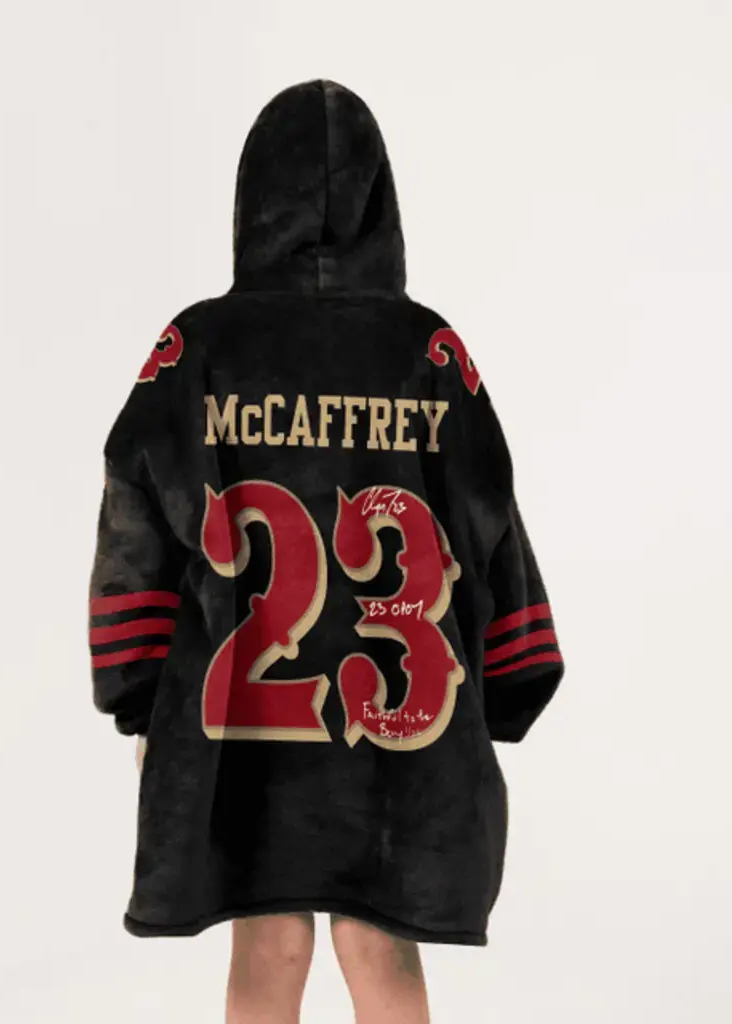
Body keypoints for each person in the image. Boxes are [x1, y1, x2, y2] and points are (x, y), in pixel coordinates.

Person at [87, 78, 565, 1024]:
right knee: (381, 945)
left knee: (266, 944)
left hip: (239, 714)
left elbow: (134, 520)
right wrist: (510, 684)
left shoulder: (197, 345)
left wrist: (140, 697)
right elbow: (489, 513)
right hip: (400, 716)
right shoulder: (429, 350)